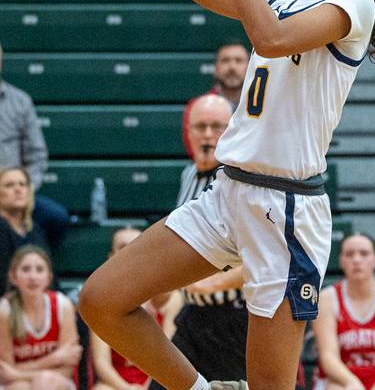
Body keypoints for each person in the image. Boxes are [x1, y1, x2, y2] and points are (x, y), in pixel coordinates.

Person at [78, 0, 375, 390]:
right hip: (227, 193)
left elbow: (270, 38)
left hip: (285, 210)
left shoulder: (356, 5)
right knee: (101, 299)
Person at [150, 94, 250, 389]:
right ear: (188, 132)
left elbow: (269, 258)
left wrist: (216, 282)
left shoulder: (243, 180)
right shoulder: (189, 174)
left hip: (236, 318)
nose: (208, 135)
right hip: (194, 315)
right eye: (200, 127)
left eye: (217, 127)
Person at [312, 233, 375, 390]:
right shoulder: (327, 299)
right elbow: (328, 356)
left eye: (364, 254)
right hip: (340, 381)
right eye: (349, 254)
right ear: (341, 261)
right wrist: (352, 383)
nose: (357, 260)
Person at [92, 227, 181, 390]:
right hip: (117, 383)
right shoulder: (100, 300)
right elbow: (101, 363)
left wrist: (149, 387)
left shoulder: (169, 298)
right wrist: (127, 389)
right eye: (123, 247)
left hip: (158, 380)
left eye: (135, 246)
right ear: (111, 257)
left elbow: (169, 357)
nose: (129, 253)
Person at [0, 43, 69, 251]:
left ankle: (37, 265)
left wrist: (24, 190)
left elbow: (37, 155)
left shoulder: (20, 101)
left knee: (56, 217)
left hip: (14, 188)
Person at [0, 245, 82, 390]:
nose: (33, 277)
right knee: (20, 387)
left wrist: (19, 373)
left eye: (39, 269)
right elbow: (5, 372)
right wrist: (54, 358)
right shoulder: (5, 310)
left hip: (59, 382)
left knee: (45, 380)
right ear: (13, 277)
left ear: (49, 277)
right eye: (26, 269)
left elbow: (67, 369)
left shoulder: (63, 305)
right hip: (15, 384)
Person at [181, 41, 249, 157]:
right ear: (216, 68)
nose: (232, 67)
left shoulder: (263, 105)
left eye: (238, 61)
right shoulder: (197, 107)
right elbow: (193, 148)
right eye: (225, 60)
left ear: (249, 67)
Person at [0, 167, 50, 292]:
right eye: (9, 185)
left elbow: (49, 273)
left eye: (22, 184)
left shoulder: (35, 230)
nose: (18, 189)